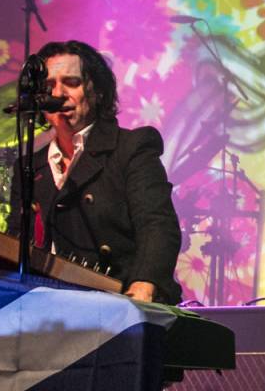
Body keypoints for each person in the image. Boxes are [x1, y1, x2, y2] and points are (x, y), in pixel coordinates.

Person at [17, 40, 183, 304]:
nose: (58, 94)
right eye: (49, 87)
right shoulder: (31, 166)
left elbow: (157, 224)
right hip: (51, 307)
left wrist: (143, 286)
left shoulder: (130, 148)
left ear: (99, 92)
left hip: (119, 301)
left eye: (71, 83)